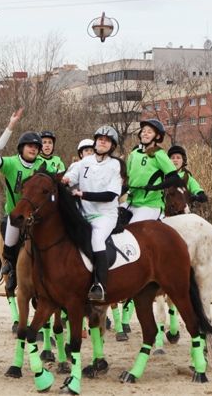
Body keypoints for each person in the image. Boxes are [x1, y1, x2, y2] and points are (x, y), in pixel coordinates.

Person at [62, 125, 123, 302]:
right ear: (95, 142)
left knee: (96, 238)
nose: (102, 141)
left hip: (105, 216)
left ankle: (99, 285)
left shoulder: (115, 165)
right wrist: (66, 180)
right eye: (100, 138)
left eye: (107, 140)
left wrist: (83, 194)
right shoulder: (83, 163)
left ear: (112, 146)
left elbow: (111, 195)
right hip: (84, 215)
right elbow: (71, 177)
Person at [0, 130, 45, 287]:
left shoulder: (42, 165)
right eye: (30, 146)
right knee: (10, 240)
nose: (33, 149)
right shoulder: (11, 163)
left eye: (36, 147)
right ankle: (9, 266)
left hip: (37, 217)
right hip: (16, 216)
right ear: (21, 147)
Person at [124, 118, 181, 223]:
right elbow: (127, 178)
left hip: (150, 205)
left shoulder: (159, 154)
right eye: (143, 131)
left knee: (132, 229)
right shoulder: (133, 154)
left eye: (149, 132)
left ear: (157, 136)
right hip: (131, 202)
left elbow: (174, 178)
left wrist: (154, 188)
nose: (145, 134)